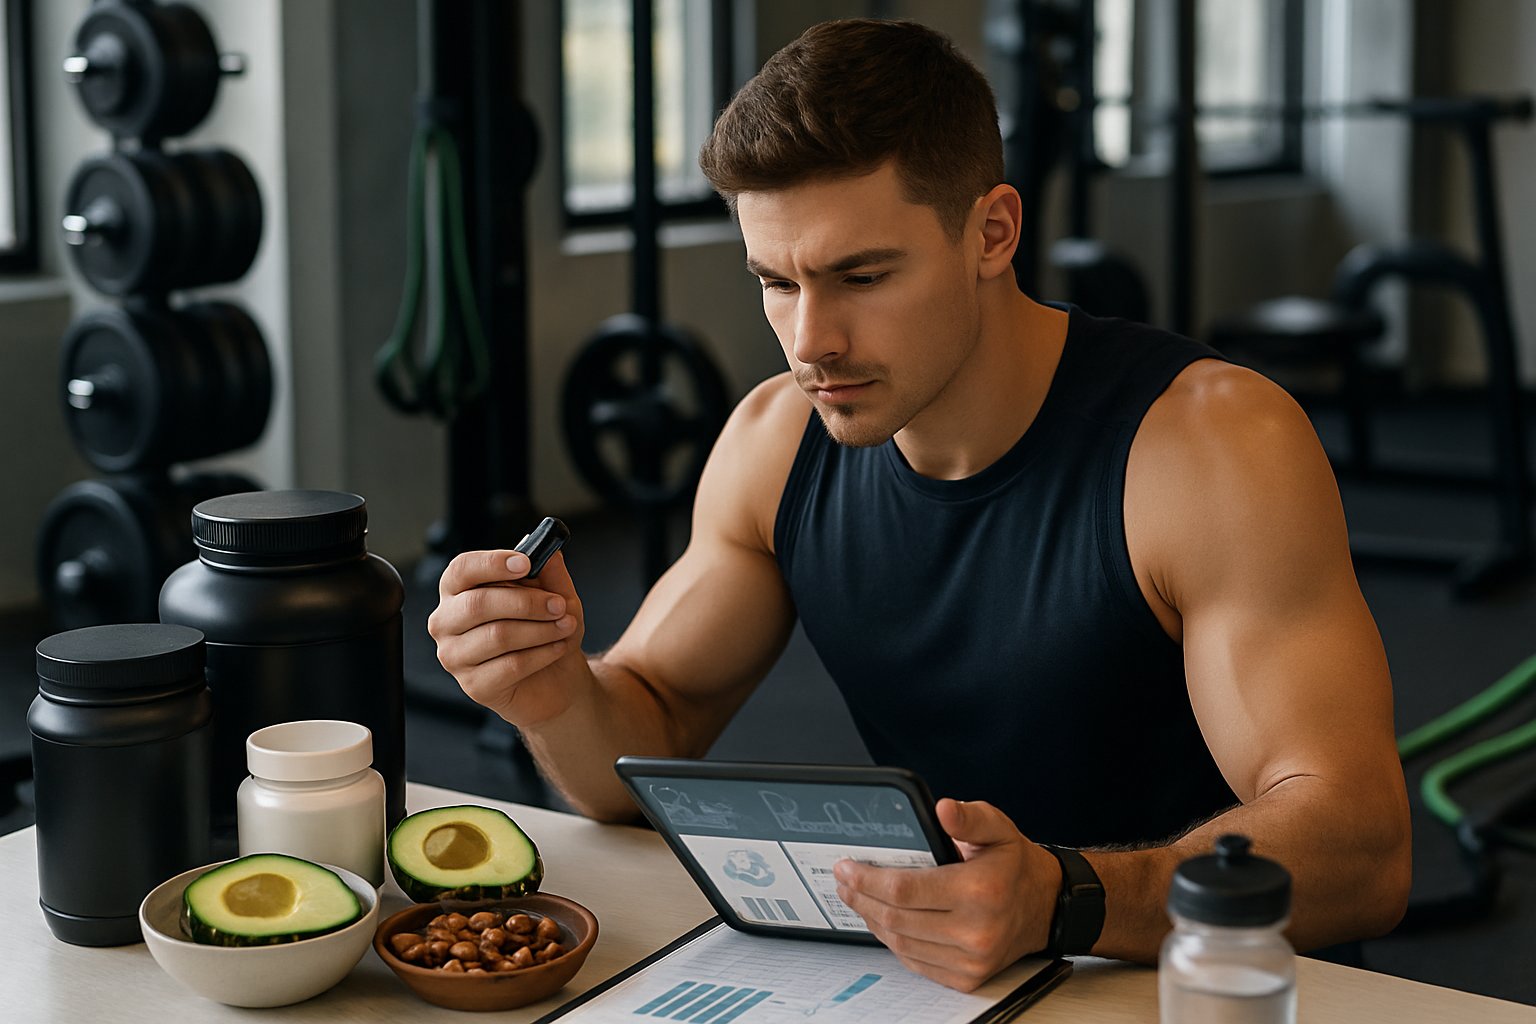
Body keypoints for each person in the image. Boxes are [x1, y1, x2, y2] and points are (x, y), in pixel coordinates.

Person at [429, 18, 1411, 992]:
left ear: (991, 233)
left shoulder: (1207, 445)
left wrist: (1065, 896)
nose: (811, 340)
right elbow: (650, 722)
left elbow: (1358, 844)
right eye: (776, 281)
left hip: (1218, 986)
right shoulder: (776, 443)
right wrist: (552, 691)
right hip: (962, 976)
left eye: (862, 276)